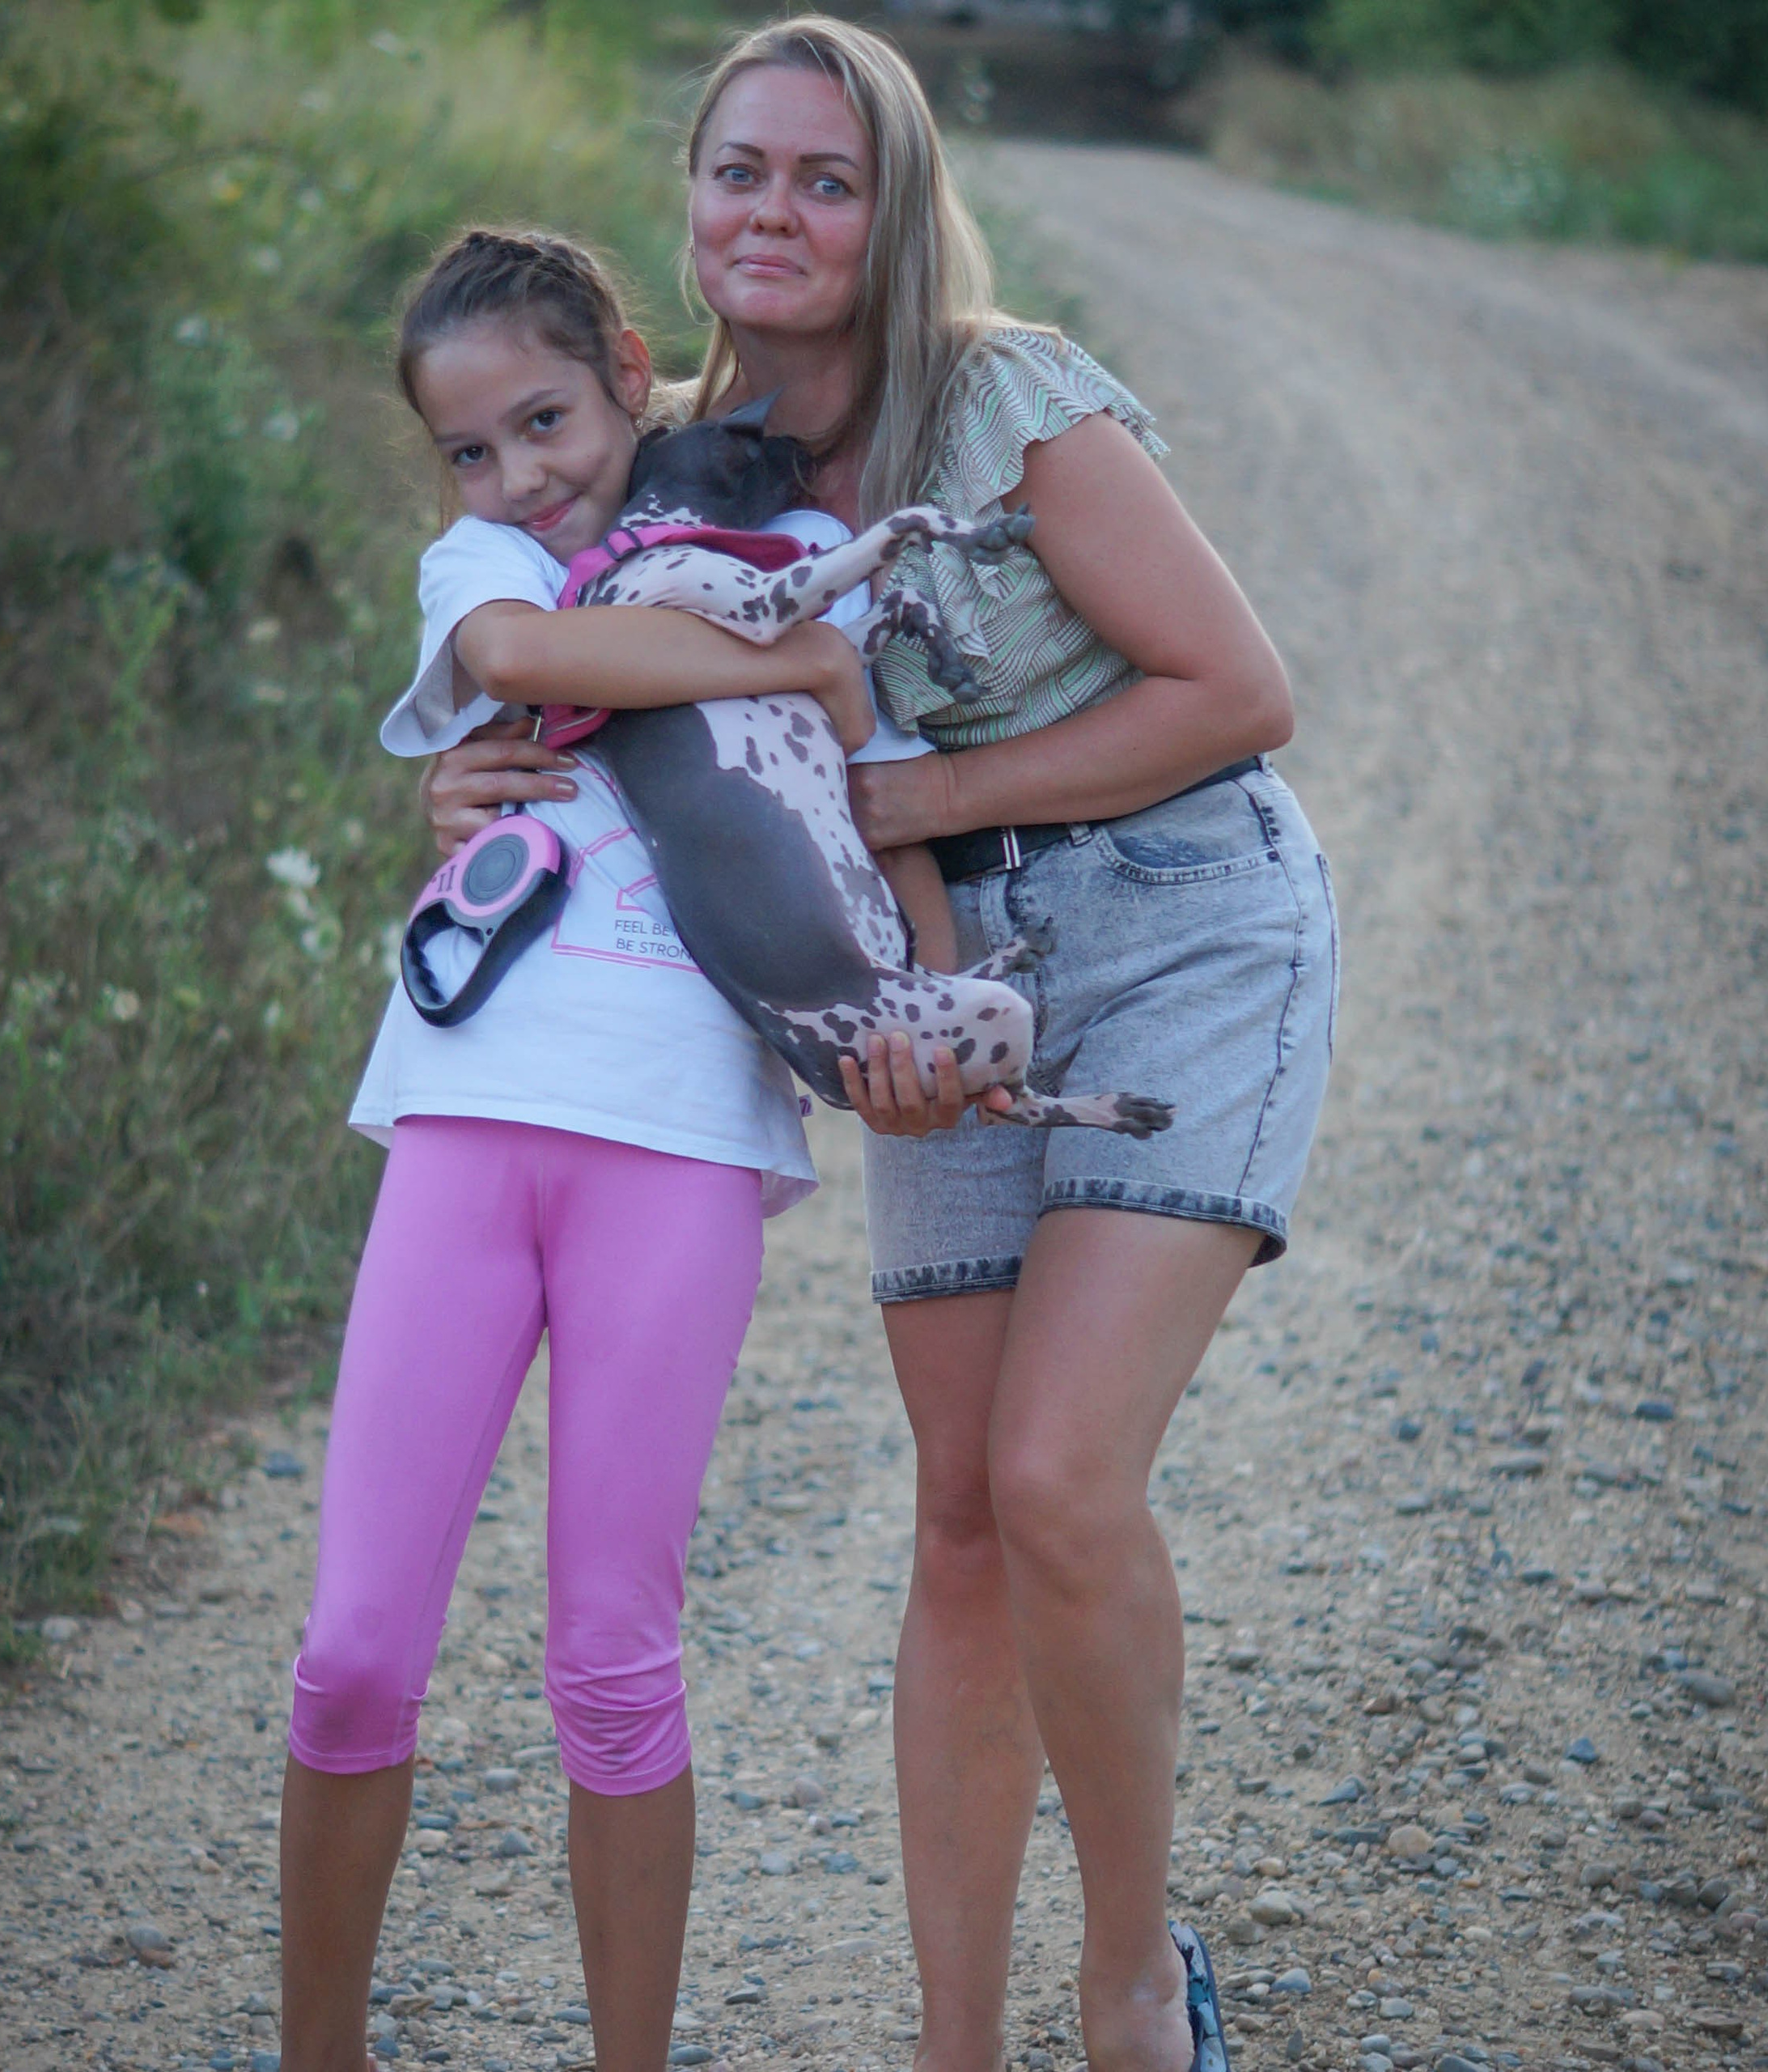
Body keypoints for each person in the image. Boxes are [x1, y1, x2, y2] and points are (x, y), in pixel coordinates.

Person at [422, 23, 1336, 2072]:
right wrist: (466, 787)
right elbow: (602, 699)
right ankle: (951, 2045)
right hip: (947, 973)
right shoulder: (654, 448)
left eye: (825, 180)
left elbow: (1234, 690)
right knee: (952, 1513)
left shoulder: (1005, 400)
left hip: (1182, 920)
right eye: (739, 170)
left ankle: (1126, 1981)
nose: (773, 211)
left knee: (1054, 1475)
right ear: (688, 191)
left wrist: (893, 807)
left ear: (894, 209)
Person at [278, 226, 911, 2072]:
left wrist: (802, 656)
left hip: (678, 1142)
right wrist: (777, 662)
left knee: (612, 1660)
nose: (518, 473)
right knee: (350, 1652)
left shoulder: (789, 549)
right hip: (468, 1116)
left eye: (547, 419)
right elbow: (520, 647)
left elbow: (838, 719)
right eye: (471, 447)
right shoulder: (489, 566)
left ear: (632, 372)